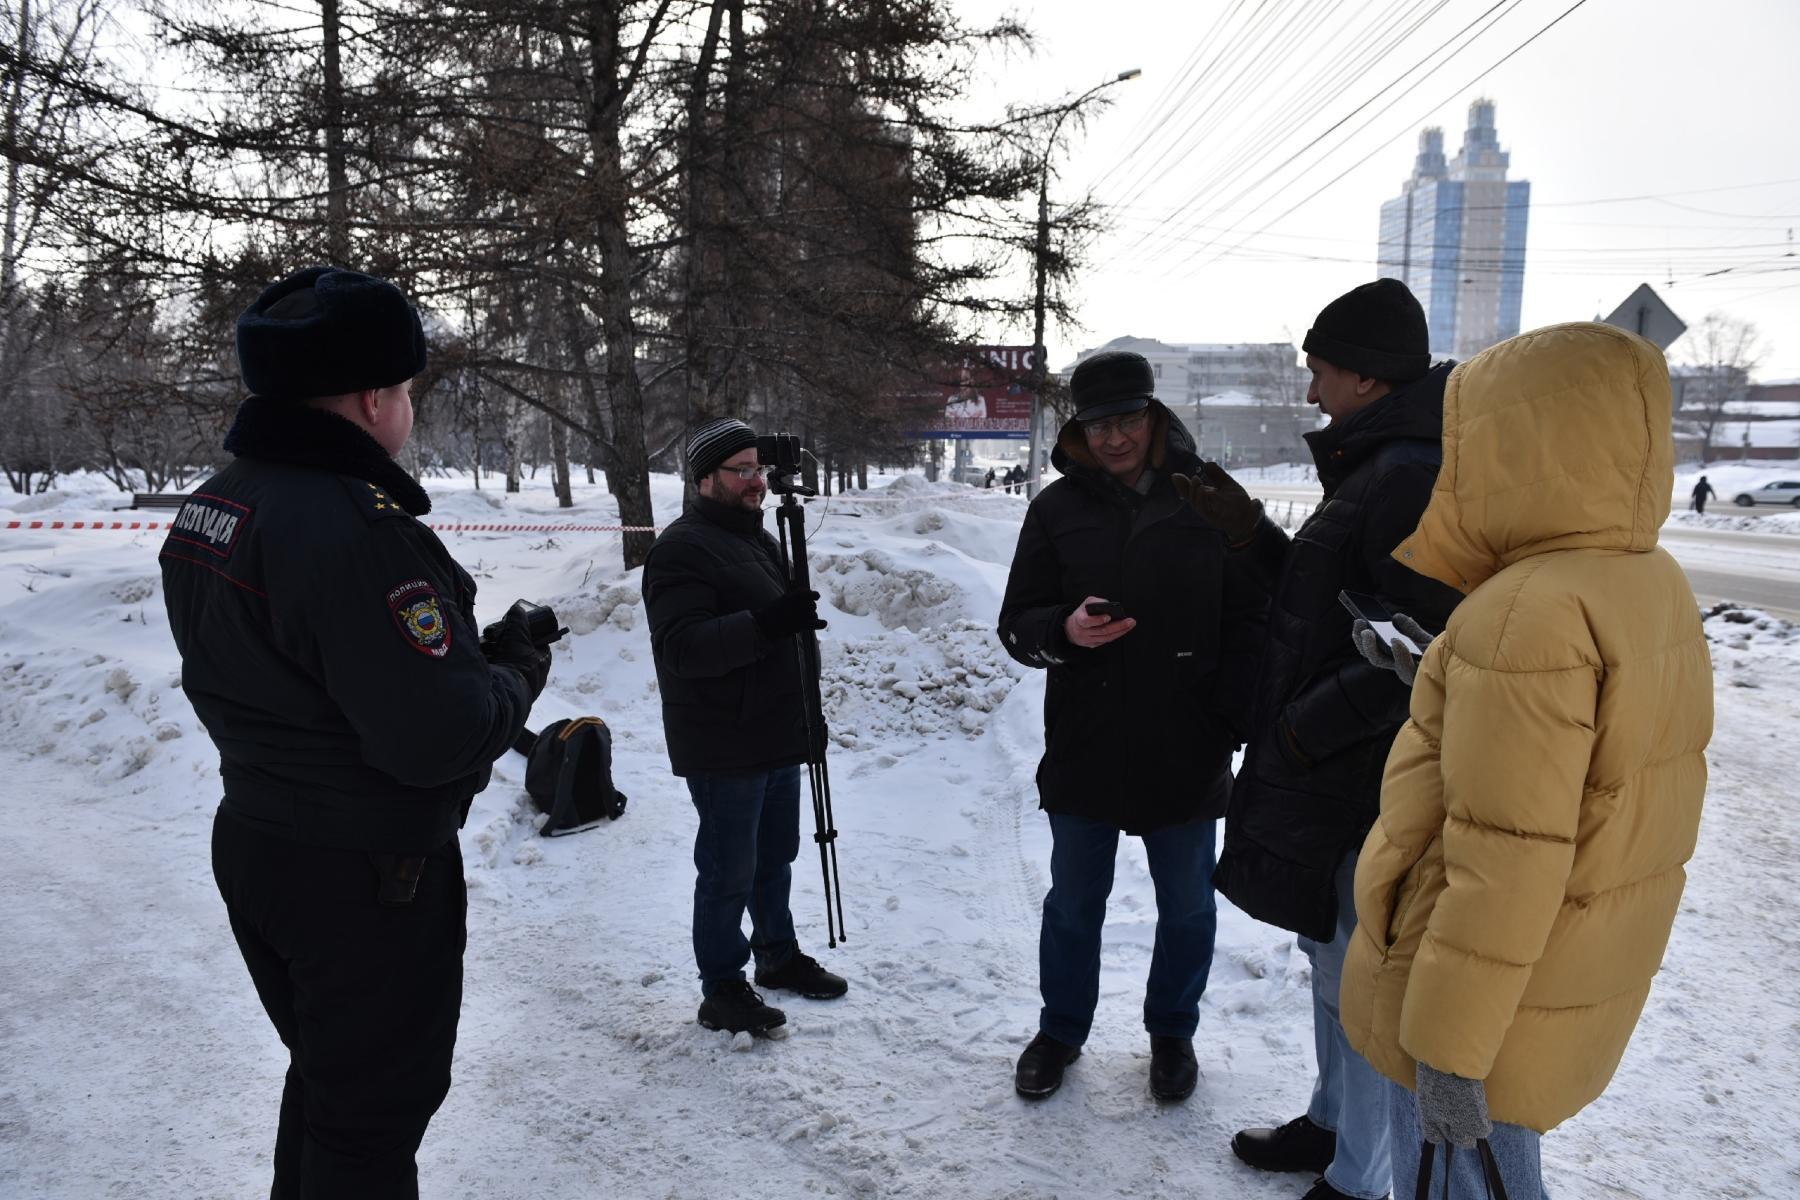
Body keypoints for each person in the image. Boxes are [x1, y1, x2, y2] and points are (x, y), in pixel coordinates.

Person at [160, 266, 551, 1198]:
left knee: (333, 1087)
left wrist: (467, 659)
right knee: (373, 1117)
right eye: (407, 390)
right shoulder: (353, 528)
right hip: (365, 875)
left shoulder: (220, 503)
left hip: (263, 837)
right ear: (373, 399)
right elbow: (439, 738)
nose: (408, 408)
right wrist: (517, 670)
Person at [1340, 322, 1712, 1200]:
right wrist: (1446, 671)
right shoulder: (1643, 578)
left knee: (1461, 1182)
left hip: (1474, 1005)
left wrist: (1449, 1052)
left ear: (1514, 446)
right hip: (1562, 974)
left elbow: (1506, 854)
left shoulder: (1526, 613)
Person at [1206, 279, 1464, 1200]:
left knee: (1361, 971)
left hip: (1364, 776)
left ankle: (1359, 1178)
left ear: (1363, 374)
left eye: (1319, 370)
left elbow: (1421, 642)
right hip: (1340, 769)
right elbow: (1337, 607)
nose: (1311, 391)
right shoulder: (1379, 462)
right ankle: (1329, 1124)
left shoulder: (1410, 473)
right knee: (1331, 956)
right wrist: (1250, 543)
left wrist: (1304, 730)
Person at [997, 350, 1272, 1103]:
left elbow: (1256, 616)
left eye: (1126, 420)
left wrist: (1229, 716)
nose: (1113, 438)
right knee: (1072, 903)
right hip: (1088, 742)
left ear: (1153, 416)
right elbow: (1016, 621)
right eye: (1097, 423)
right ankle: (1059, 1031)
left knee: (1186, 906)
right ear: (1077, 428)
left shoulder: (1207, 498)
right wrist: (1062, 630)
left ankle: (1172, 1033)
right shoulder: (1054, 510)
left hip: (1188, 745)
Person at [642, 417, 849, 1037]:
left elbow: (781, 633)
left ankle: (777, 956)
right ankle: (722, 986)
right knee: (729, 868)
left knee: (773, 857)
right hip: (723, 739)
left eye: (759, 469)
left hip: (775, 731)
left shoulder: (754, 538)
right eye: (743, 471)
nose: (757, 481)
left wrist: (806, 718)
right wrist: (766, 623)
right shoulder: (681, 549)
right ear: (705, 479)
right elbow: (682, 648)